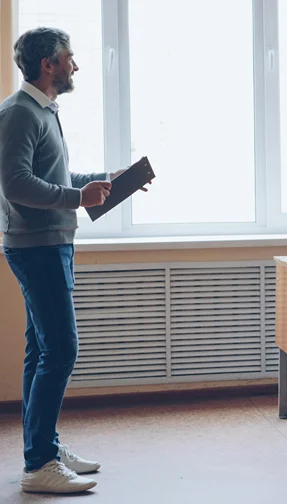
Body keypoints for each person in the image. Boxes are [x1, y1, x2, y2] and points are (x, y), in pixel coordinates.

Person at [0, 27, 147, 494]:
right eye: (70, 57)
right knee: (61, 349)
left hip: (50, 242)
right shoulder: (19, 113)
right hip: (37, 246)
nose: (75, 65)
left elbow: (57, 179)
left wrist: (107, 179)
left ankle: (43, 446)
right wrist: (75, 196)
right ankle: (38, 463)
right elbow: (16, 185)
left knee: (41, 350)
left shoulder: (41, 111)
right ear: (49, 64)